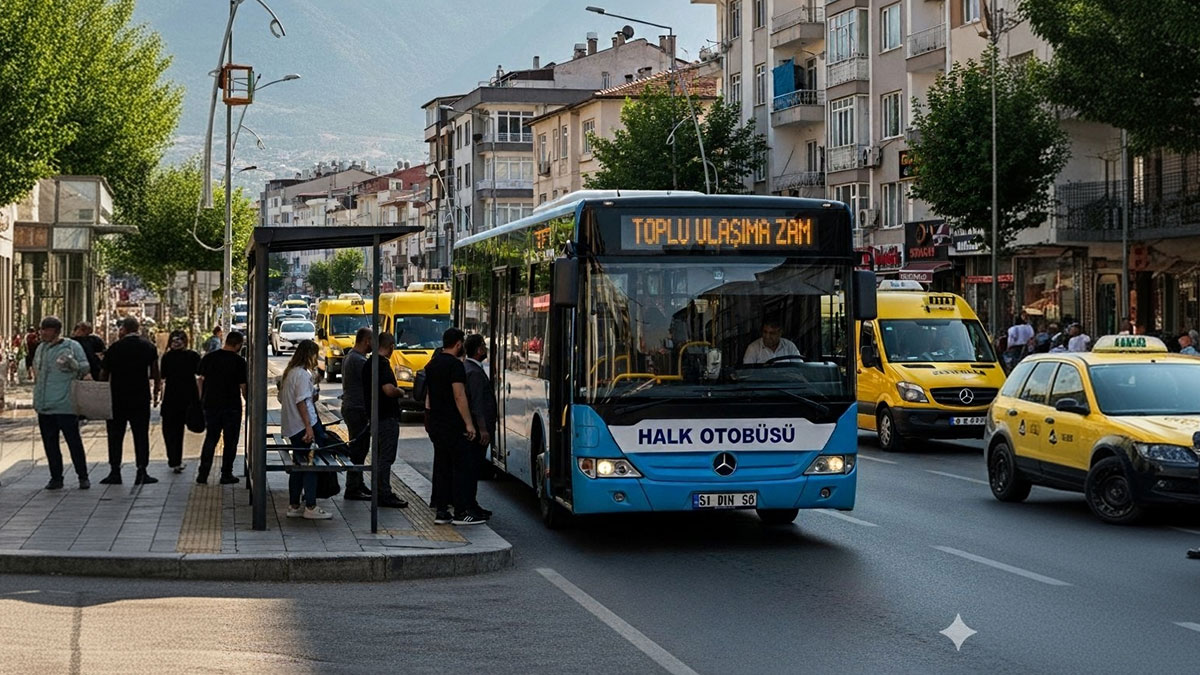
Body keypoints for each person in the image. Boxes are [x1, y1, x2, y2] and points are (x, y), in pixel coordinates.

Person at [425, 328, 484, 526]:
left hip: (436, 423)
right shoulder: (455, 366)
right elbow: (459, 396)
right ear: (458, 344)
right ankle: (461, 512)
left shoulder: (432, 364)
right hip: (452, 424)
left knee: (442, 468)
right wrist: (469, 424)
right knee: (460, 468)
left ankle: (442, 511)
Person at [100, 317, 161, 485]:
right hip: (140, 397)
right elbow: (155, 371)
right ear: (137, 328)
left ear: (124, 329)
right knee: (141, 434)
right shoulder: (148, 346)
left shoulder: (114, 348)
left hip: (117, 397)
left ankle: (115, 471)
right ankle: (142, 471)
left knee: (115, 434)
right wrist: (157, 390)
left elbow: (104, 373)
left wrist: (101, 392)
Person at [32, 316, 91, 490]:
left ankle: (83, 476)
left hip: (65, 405)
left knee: (73, 441)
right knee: (50, 444)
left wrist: (71, 364)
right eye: (41, 329)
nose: (42, 333)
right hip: (44, 405)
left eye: (46, 329)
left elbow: (84, 368)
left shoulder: (72, 346)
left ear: (56, 331)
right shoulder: (41, 348)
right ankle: (56, 477)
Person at [278, 340, 333, 519]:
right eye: (316, 355)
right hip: (303, 426)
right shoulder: (302, 374)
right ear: (310, 355)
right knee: (311, 465)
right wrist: (309, 427)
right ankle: (310, 506)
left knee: (299, 465)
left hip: (293, 426)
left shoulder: (290, 373)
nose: (317, 359)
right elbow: (301, 401)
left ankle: (294, 505)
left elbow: (283, 398)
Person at [360, 332, 408, 508]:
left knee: (379, 456)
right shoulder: (382, 364)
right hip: (386, 416)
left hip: (374, 415)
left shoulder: (368, 363)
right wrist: (400, 391)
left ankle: (379, 490)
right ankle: (384, 493)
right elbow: (388, 390)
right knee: (386, 457)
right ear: (391, 346)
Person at [196, 331, 247, 484]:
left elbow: (200, 379)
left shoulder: (209, 358)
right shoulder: (239, 362)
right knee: (230, 441)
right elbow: (243, 386)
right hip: (232, 406)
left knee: (211, 438)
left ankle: (203, 474)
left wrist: (201, 399)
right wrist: (248, 401)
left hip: (211, 404)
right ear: (238, 345)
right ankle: (226, 474)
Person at [463, 333, 496, 519]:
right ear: (478, 350)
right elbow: (477, 404)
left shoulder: (468, 367)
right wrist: (483, 429)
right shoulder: (474, 372)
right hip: (477, 431)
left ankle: (472, 503)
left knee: (473, 468)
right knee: (473, 468)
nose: (486, 349)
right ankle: (469, 505)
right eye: (483, 345)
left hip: (474, 429)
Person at [339, 327, 373, 501]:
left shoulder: (351, 356)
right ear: (367, 341)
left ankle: (358, 483)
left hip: (352, 407)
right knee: (358, 449)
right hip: (357, 409)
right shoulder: (359, 360)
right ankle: (352, 487)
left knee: (360, 448)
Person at [159, 330, 200, 474]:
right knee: (182, 430)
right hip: (189, 397)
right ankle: (177, 461)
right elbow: (200, 373)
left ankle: (174, 460)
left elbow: (163, 375)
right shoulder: (193, 356)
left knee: (171, 432)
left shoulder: (167, 357)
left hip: (171, 398)